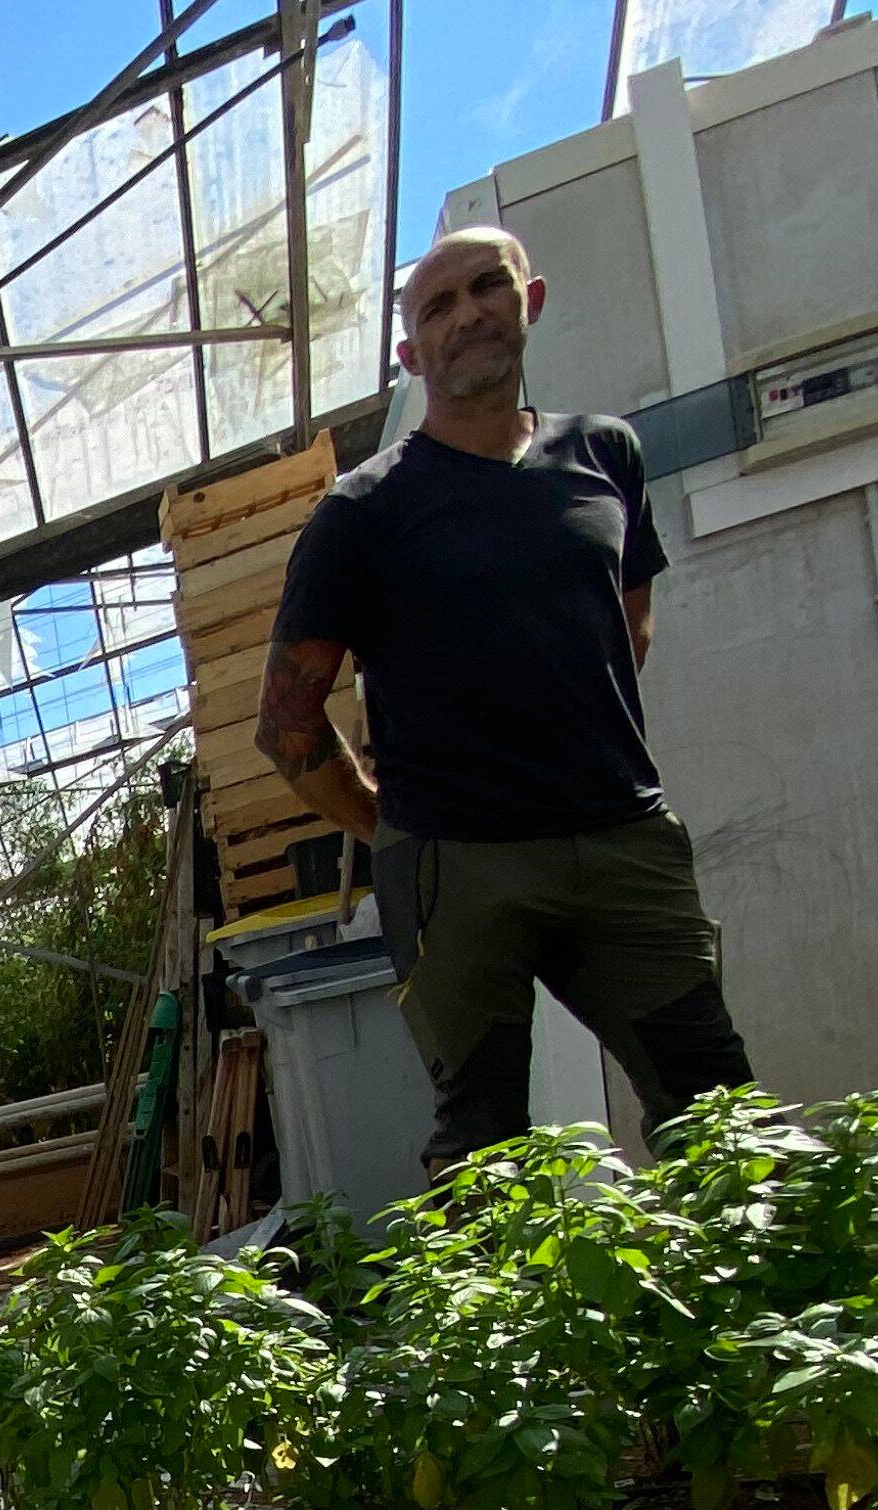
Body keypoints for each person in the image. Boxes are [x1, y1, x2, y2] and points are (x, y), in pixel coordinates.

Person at [253, 225, 756, 1173]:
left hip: (620, 839)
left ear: (529, 301)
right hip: (460, 867)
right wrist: (389, 829)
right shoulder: (365, 513)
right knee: (483, 1143)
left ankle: (752, 1310)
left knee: (715, 1105)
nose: (467, 314)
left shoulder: (608, 455)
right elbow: (285, 728)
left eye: (487, 287)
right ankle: (496, 1325)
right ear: (410, 355)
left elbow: (629, 620)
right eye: (437, 306)